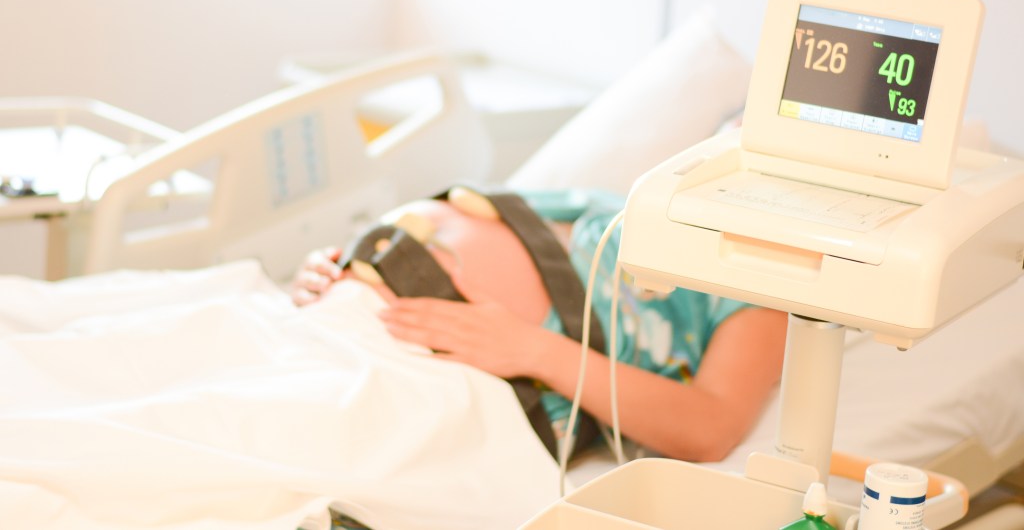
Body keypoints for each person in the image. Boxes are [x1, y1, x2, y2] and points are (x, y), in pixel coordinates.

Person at [291, 187, 787, 464]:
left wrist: (531, 350)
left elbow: (709, 428)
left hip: (478, 372)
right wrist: (326, 270)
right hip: (330, 319)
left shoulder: (766, 283)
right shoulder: (612, 202)